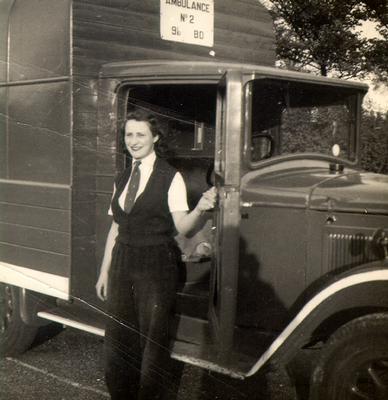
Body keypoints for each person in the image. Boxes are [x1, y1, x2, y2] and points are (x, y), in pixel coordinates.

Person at [96, 108, 216, 400]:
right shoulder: (123, 176)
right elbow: (116, 227)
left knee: (152, 342)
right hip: (123, 261)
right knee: (118, 339)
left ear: (155, 138)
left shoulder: (169, 176)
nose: (133, 141)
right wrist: (104, 272)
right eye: (129, 134)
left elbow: (183, 228)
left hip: (155, 263)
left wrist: (200, 207)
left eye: (140, 134)